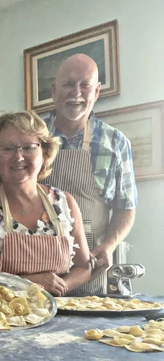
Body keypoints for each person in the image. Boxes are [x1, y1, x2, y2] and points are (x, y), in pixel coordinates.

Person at [42, 53, 137, 295]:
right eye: (68, 84)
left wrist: (109, 246)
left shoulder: (116, 143)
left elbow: (126, 207)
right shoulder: (32, 136)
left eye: (85, 85)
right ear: (54, 91)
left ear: (96, 92)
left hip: (93, 268)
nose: (77, 92)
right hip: (40, 269)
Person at [0, 111, 91, 297]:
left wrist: (61, 285)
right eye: (7, 148)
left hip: (60, 313)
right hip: (3, 316)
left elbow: (84, 266)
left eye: (28, 147)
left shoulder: (64, 202)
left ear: (44, 152)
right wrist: (31, 283)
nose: (18, 156)